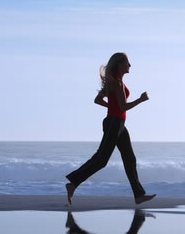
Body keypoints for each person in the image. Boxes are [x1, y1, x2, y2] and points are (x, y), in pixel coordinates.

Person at [65, 52, 156, 205]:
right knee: (101, 159)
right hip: (114, 123)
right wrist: (141, 100)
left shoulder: (114, 81)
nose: (130, 65)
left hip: (118, 123)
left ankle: (139, 195)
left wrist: (112, 107)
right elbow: (123, 106)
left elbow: (98, 100)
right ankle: (73, 182)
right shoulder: (117, 83)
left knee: (129, 158)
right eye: (127, 63)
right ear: (119, 65)